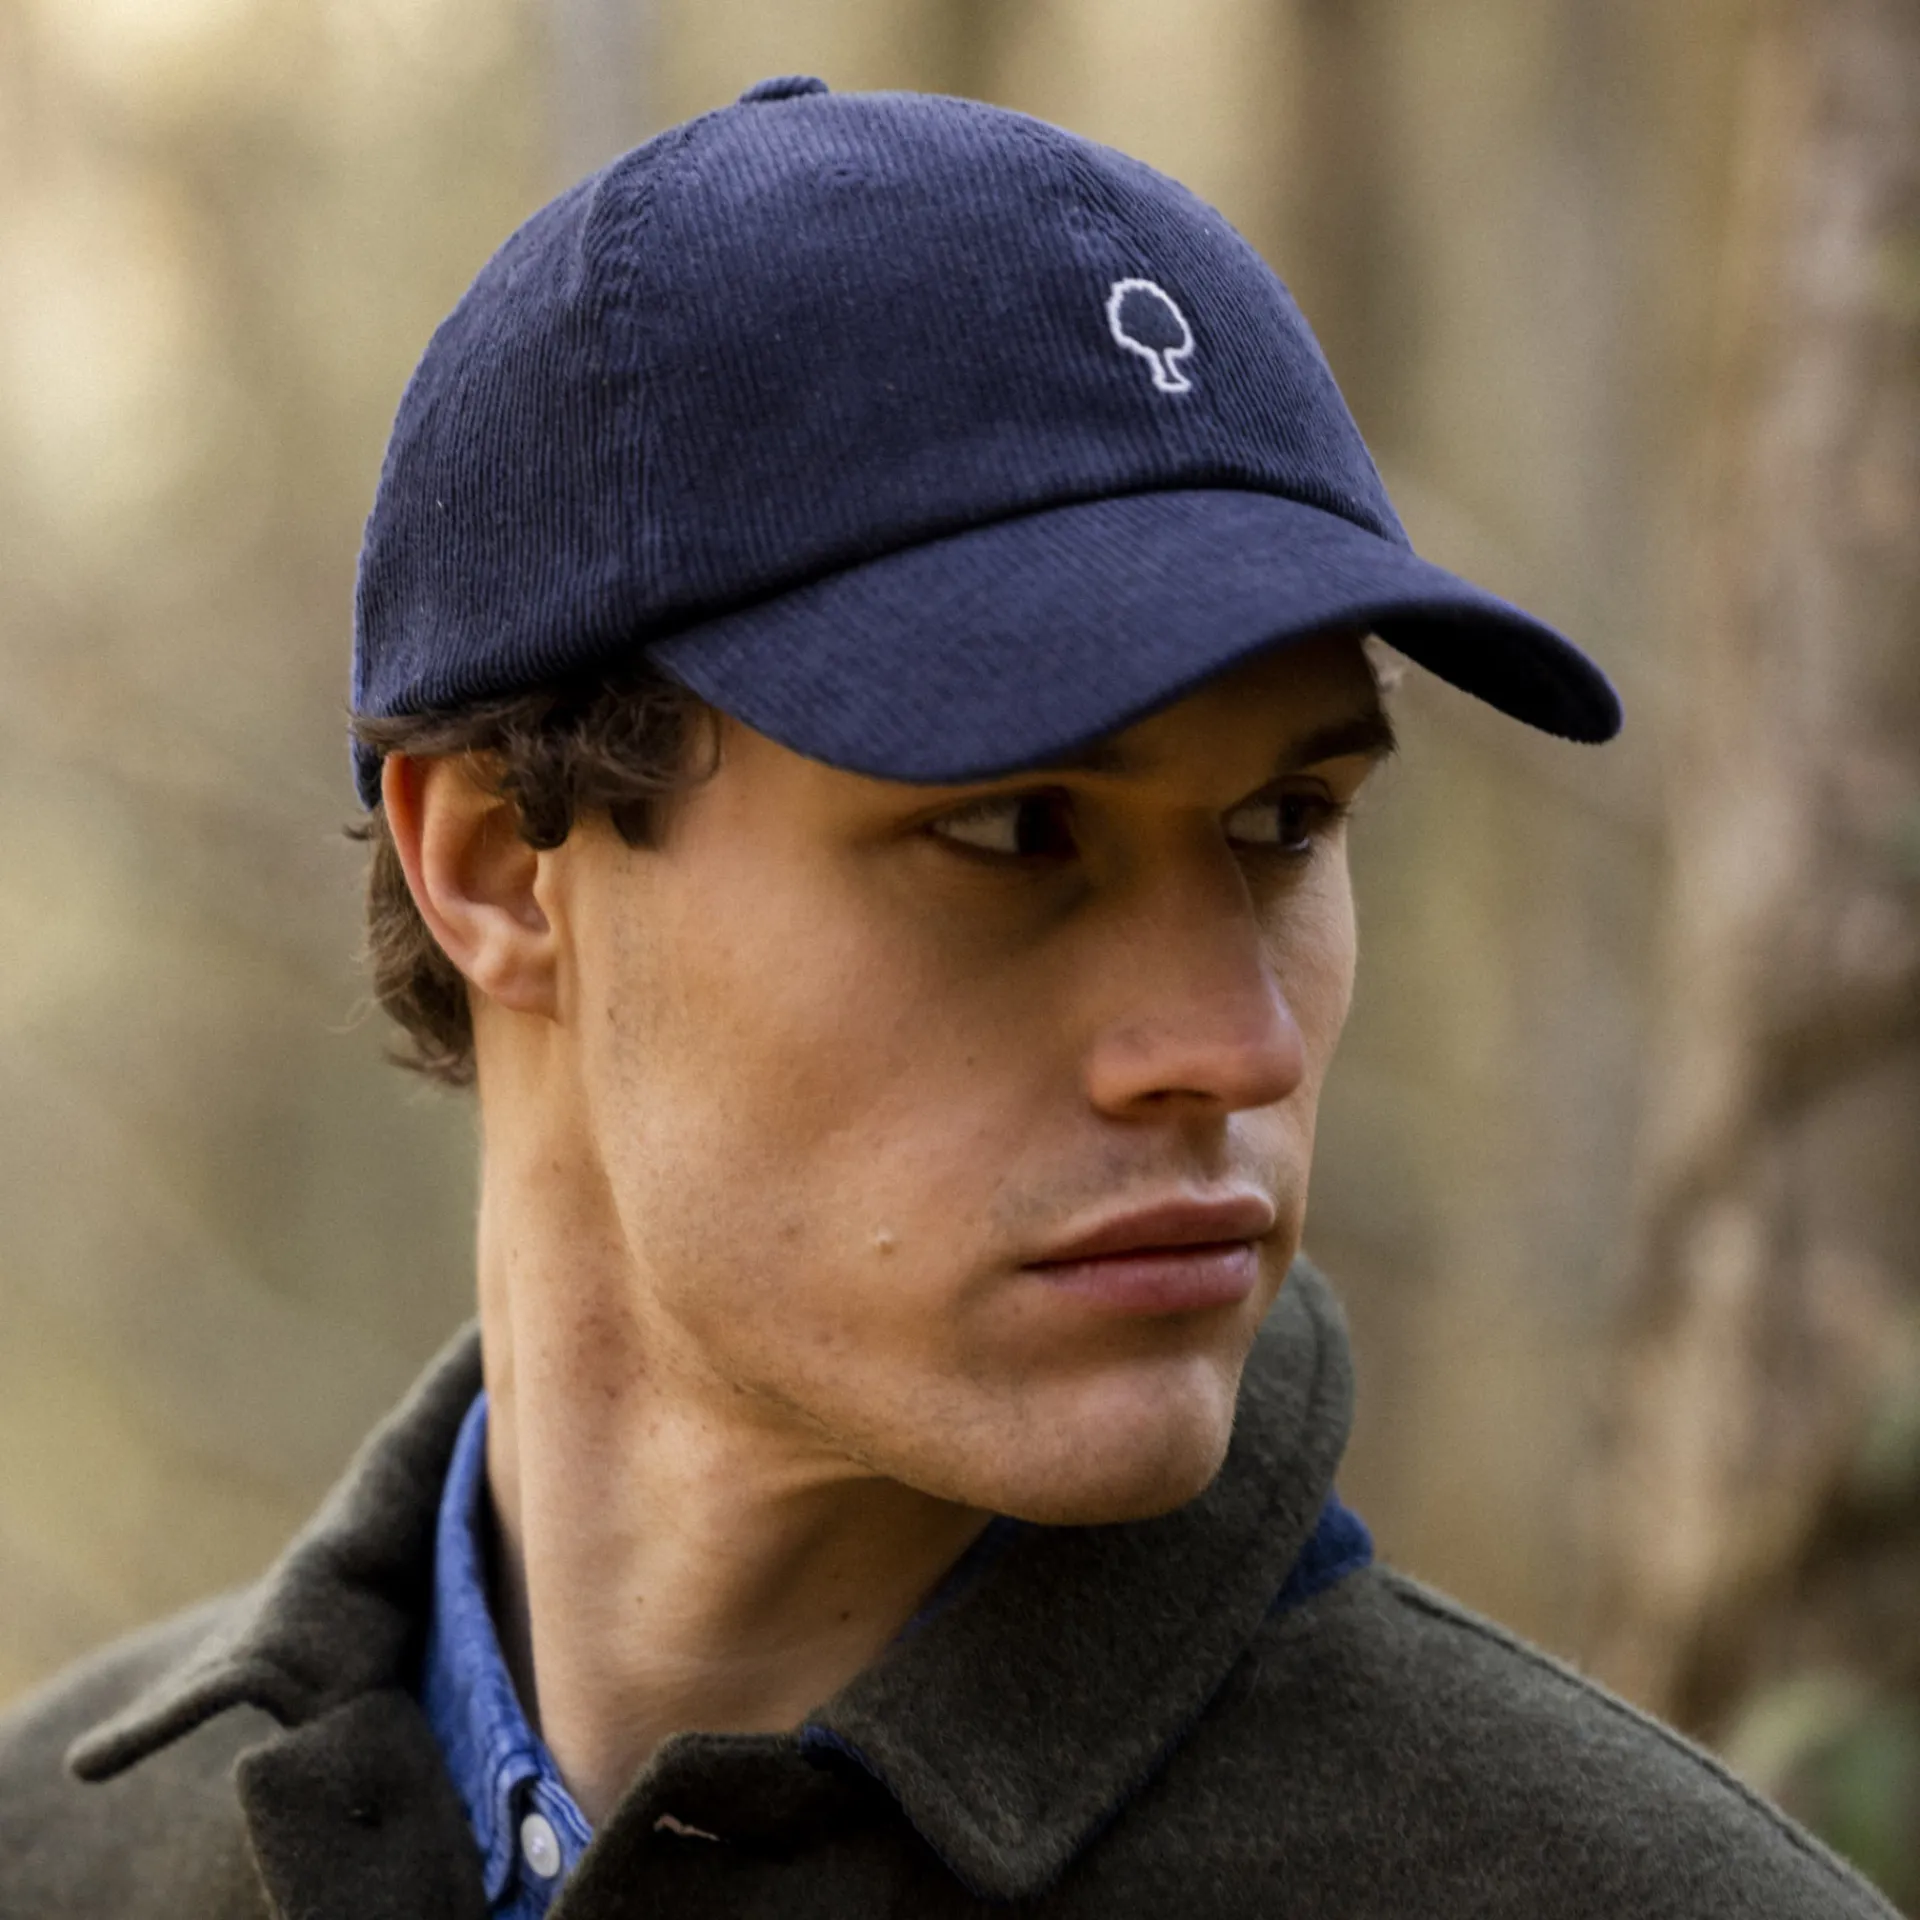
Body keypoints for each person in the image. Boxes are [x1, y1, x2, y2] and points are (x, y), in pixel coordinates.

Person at [0, 77, 1893, 1920]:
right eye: (1011, 828)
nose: (1233, 1047)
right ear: (500, 859)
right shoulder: (56, 1858)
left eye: (1285, 821)